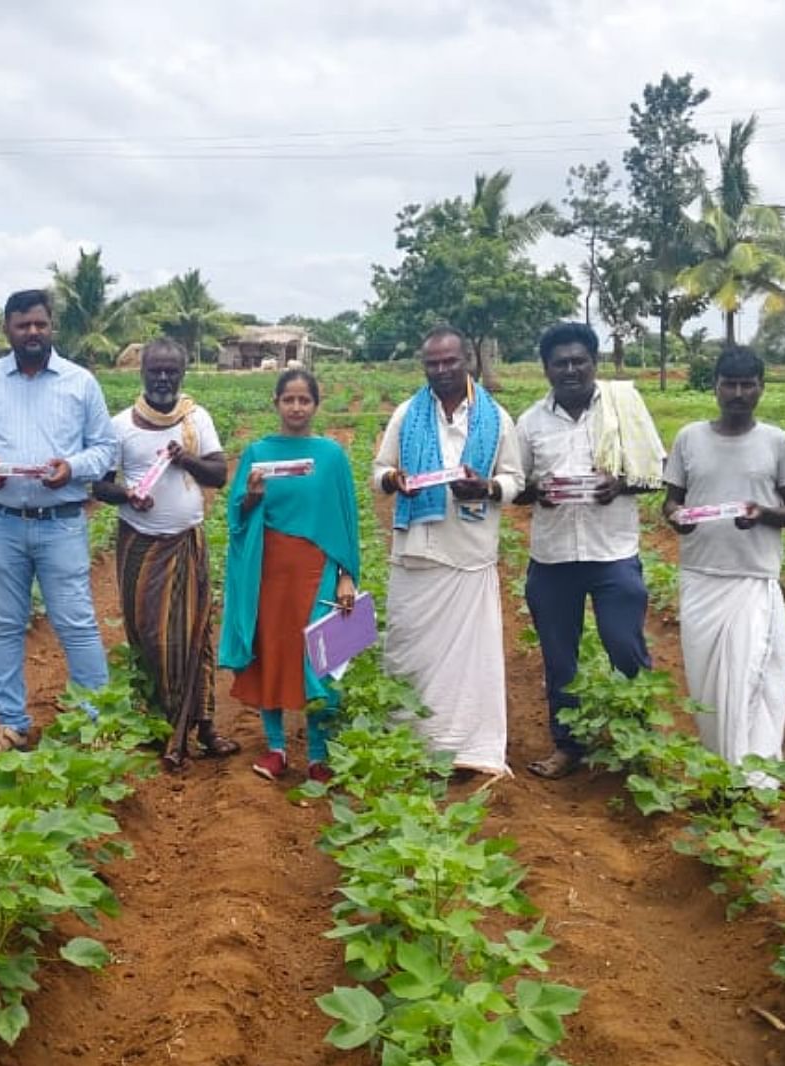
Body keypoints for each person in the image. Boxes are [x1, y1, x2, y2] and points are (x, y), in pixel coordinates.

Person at [0, 290, 120, 759]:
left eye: (40, 324)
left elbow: (105, 448)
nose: (32, 333)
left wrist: (73, 467)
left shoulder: (80, 382)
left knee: (77, 623)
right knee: (3, 625)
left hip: (61, 521)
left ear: (52, 327)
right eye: (23, 325)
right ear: (7, 329)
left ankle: (96, 722)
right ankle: (10, 725)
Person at [371, 326, 525, 779]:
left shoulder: (497, 419)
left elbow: (516, 480)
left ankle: (467, 748)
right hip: (417, 551)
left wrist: (488, 487)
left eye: (449, 362)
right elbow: (379, 469)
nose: (441, 370)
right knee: (409, 647)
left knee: (468, 660)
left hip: (470, 553)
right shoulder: (407, 414)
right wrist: (392, 480)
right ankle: (411, 740)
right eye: (432, 363)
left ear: (467, 363)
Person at [513, 321, 664, 780]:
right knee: (560, 658)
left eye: (580, 361)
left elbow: (655, 472)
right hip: (554, 557)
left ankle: (639, 740)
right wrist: (538, 490)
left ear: (595, 364)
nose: (571, 370)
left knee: (625, 645)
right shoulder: (530, 422)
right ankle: (568, 745)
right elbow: (515, 486)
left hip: (612, 553)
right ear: (546, 369)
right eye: (561, 363)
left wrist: (618, 484)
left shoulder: (624, 407)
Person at [91, 338, 238, 772]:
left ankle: (202, 725)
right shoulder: (120, 426)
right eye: (155, 370)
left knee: (194, 634)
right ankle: (159, 727)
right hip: (140, 543)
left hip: (187, 542)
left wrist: (186, 459)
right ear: (142, 371)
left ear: (182, 374)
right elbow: (100, 485)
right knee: (150, 638)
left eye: (171, 371)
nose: (162, 378)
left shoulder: (196, 420)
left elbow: (219, 474)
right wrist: (128, 495)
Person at [662, 347, 785, 777]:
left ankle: (754, 772)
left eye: (748, 385)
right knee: (706, 682)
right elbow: (672, 501)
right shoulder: (689, 438)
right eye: (730, 384)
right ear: (715, 386)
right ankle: (721, 762)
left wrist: (763, 514)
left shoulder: (778, 443)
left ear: (762, 387)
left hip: (752, 576)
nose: (738, 393)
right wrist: (677, 519)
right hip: (700, 575)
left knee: (750, 677)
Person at [218, 369, 361, 785]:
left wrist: (345, 575)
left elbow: (345, 523)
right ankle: (276, 747)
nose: (296, 407)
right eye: (289, 399)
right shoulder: (258, 453)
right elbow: (236, 517)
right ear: (276, 403)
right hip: (268, 571)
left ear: (316, 405)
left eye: (304, 400)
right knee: (274, 653)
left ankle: (319, 754)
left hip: (317, 569)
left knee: (323, 657)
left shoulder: (331, 456)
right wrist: (252, 498)